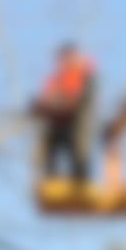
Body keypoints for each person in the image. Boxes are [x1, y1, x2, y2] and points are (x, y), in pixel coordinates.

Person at [32, 43, 96, 181]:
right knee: (50, 145)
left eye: (65, 58)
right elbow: (49, 98)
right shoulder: (56, 79)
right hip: (57, 122)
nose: (62, 63)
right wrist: (42, 105)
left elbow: (77, 99)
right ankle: (50, 176)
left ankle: (80, 177)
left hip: (75, 122)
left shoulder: (84, 76)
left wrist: (60, 103)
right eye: (61, 59)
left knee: (77, 148)